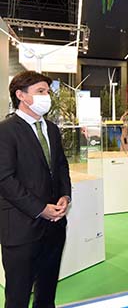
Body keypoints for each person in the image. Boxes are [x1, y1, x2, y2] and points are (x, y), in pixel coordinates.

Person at [0, 71, 72, 308]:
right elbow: (5, 179)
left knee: (47, 292)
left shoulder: (51, 128)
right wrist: (40, 209)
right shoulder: (6, 130)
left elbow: (61, 166)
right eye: (40, 92)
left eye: (47, 92)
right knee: (18, 296)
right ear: (21, 95)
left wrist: (65, 195)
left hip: (54, 225)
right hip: (21, 227)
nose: (47, 97)